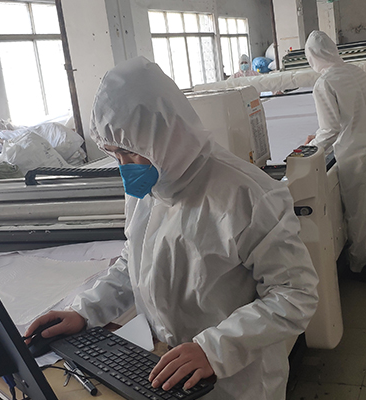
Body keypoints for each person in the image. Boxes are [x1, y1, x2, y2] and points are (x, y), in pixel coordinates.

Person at [25, 56, 319, 399]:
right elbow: (132, 264)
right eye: (114, 154)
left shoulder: (248, 195)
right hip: (167, 368)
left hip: (237, 382)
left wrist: (214, 349)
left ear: (165, 135)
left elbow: (294, 295)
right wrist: (84, 311)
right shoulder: (148, 188)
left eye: (130, 152)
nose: (123, 166)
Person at [303, 31, 366, 282]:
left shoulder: (324, 83)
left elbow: (331, 128)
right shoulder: (357, 72)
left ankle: (359, 265)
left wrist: (309, 148)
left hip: (356, 152)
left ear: (312, 57)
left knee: (360, 210)